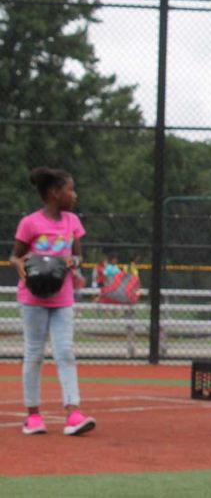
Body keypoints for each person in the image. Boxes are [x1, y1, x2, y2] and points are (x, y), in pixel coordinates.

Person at [8, 167, 96, 436]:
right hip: (33, 298)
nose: (75, 194)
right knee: (34, 353)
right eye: (70, 189)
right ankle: (33, 416)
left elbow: (78, 256)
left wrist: (74, 262)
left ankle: (73, 413)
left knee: (65, 352)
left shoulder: (72, 222)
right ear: (56, 193)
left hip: (63, 297)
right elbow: (15, 256)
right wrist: (19, 265)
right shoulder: (30, 223)